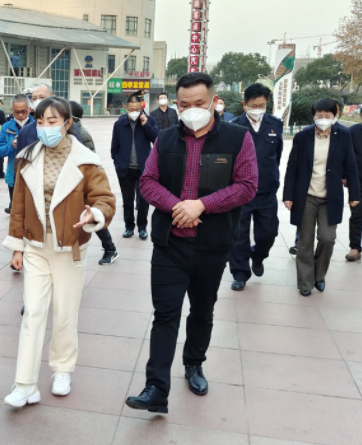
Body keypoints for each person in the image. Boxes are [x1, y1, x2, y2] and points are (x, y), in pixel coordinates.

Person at [127, 72, 258, 413]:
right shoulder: (166, 138)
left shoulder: (238, 138)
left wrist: (202, 205)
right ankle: (156, 387)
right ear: (176, 104)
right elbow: (148, 181)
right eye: (184, 105)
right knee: (165, 314)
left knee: (202, 310)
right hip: (169, 244)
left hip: (212, 245)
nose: (191, 110)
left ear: (214, 102)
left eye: (199, 103)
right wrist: (177, 207)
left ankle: (194, 363)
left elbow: (246, 186)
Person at [2, 97, 115, 407]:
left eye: (52, 121)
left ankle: (62, 370)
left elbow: (105, 199)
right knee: (33, 312)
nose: (45, 128)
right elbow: (18, 205)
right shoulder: (26, 157)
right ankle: (25, 383)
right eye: (40, 122)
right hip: (35, 246)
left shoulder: (87, 160)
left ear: (67, 123)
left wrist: (94, 214)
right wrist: (16, 247)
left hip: (69, 247)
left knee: (65, 312)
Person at [283, 98, 360, 296]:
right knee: (305, 241)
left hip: (330, 197)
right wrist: (288, 195)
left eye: (328, 116)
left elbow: (351, 165)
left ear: (335, 116)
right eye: (319, 116)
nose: (323, 119)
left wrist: (354, 193)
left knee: (327, 239)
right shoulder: (303, 137)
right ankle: (305, 282)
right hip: (306, 195)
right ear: (314, 116)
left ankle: (319, 275)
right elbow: (292, 167)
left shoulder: (343, 135)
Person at [228, 84, 284, 291]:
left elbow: (277, 155)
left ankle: (258, 256)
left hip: (267, 191)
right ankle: (240, 273)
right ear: (245, 105)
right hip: (241, 191)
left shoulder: (275, 125)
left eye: (262, 105)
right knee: (238, 234)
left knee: (268, 233)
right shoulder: (234, 127)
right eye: (254, 105)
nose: (258, 109)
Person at [70, 100, 119, 265]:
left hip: (81, 184)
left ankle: (110, 248)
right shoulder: (76, 130)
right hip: (77, 183)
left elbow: (88, 160)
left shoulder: (78, 133)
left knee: (92, 217)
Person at [111, 92, 159, 240]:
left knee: (144, 200)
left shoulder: (149, 120)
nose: (134, 112)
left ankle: (142, 227)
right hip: (125, 169)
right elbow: (114, 147)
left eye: (137, 109)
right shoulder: (119, 124)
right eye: (131, 109)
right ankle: (129, 227)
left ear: (141, 107)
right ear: (126, 108)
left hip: (144, 169)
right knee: (127, 200)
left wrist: (146, 125)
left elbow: (156, 139)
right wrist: (118, 163)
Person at [0, 94, 33, 215]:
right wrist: (12, 146)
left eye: (24, 111)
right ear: (11, 110)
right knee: (16, 211)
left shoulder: (37, 125)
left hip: (34, 173)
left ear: (29, 109)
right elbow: (0, 151)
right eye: (17, 112)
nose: (21, 115)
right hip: (13, 174)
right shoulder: (6, 127)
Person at [346, 114, 362, 261]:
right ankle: (355, 247)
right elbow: (346, 155)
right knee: (356, 214)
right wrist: (344, 175)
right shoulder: (353, 132)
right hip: (357, 181)